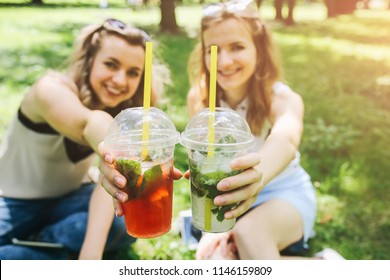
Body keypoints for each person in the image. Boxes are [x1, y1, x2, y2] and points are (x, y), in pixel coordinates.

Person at [0, 18, 178, 260]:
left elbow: (110, 181)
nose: (120, 80)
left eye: (133, 72)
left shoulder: (124, 111)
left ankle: (38, 245)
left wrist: (90, 254)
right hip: (14, 204)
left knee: (124, 221)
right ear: (89, 61)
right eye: (111, 64)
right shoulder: (49, 90)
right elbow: (89, 123)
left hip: (71, 200)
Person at [185, 0, 342, 260]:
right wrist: (215, 231)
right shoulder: (199, 100)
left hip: (283, 195)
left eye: (237, 47)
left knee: (249, 233)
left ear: (259, 48)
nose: (224, 61)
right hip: (226, 196)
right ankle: (320, 264)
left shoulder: (281, 99)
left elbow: (286, 139)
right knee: (211, 258)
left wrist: (257, 174)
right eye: (213, 49)